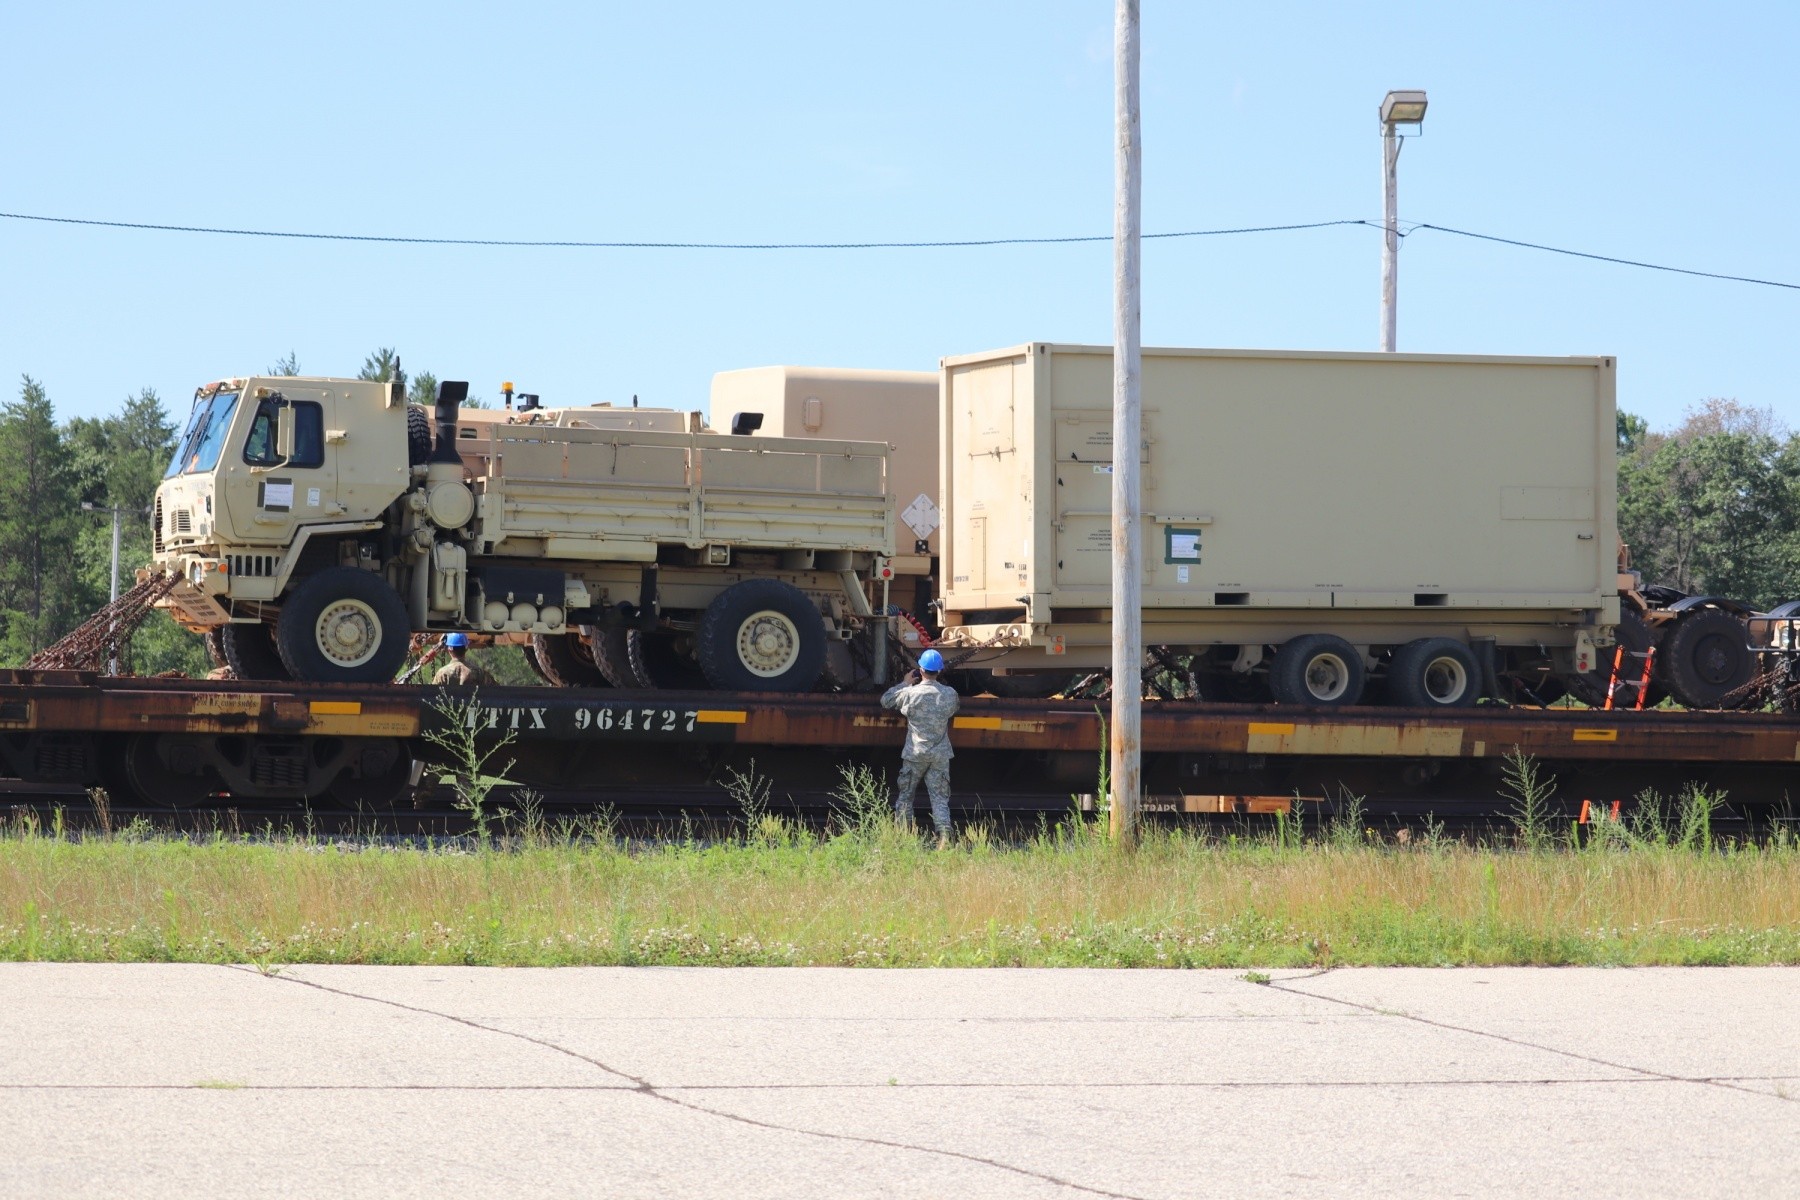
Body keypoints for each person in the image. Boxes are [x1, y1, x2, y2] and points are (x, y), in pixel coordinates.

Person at [880, 648, 959, 842]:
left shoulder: (909, 694)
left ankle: (904, 837)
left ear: (920, 670)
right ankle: (944, 839)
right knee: (940, 798)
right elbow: (953, 709)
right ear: (939, 671)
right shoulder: (950, 694)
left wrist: (905, 683)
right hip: (940, 754)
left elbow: (885, 701)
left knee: (906, 796)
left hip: (915, 753)